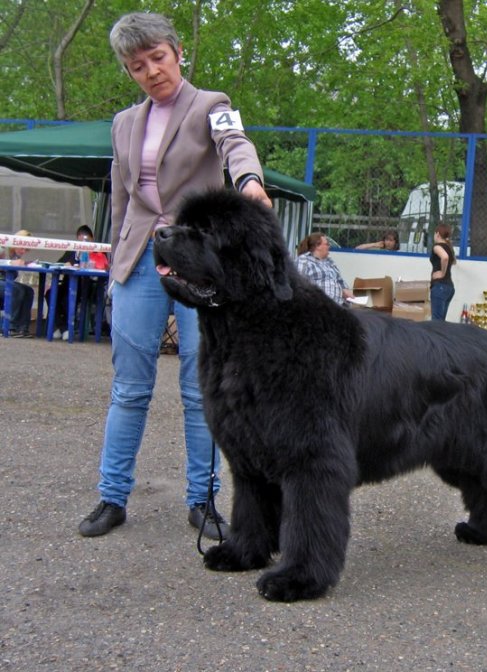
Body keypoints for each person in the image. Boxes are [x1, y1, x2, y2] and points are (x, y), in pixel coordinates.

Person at [78, 12, 272, 540]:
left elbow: (236, 146)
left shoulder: (212, 106)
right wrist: (117, 261)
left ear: (177, 52)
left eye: (157, 58)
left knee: (199, 387)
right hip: (138, 261)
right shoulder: (122, 123)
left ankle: (203, 501)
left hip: (198, 262)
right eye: (137, 66)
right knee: (129, 388)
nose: (151, 71)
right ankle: (111, 497)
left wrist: (249, 181)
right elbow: (122, 199)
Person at [46, 225, 109, 340]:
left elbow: (104, 268)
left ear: (92, 239)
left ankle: (66, 328)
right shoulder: (72, 250)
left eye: (86, 240)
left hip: (86, 286)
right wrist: (66, 264)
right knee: (50, 294)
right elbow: (58, 263)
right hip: (67, 283)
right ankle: (62, 327)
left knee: (68, 298)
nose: (83, 244)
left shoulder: (99, 251)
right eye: (81, 241)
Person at [296, 233, 354, 305]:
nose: (329, 246)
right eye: (327, 244)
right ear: (317, 246)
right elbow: (298, 284)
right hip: (317, 306)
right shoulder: (304, 260)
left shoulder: (330, 262)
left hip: (338, 306)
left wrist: (345, 290)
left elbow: (340, 281)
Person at [0, 229, 35, 338]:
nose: (23, 251)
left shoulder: (15, 255)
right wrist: (10, 262)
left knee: (29, 291)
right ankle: (10, 327)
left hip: (4, 282)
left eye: (26, 249)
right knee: (16, 290)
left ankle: (23, 328)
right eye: (22, 247)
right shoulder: (2, 248)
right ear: (16, 242)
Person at [429, 225, 456, 321]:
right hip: (449, 288)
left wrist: (442, 273)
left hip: (440, 287)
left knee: (436, 323)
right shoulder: (449, 248)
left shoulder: (437, 247)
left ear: (437, 234)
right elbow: (452, 261)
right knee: (441, 323)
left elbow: (445, 257)